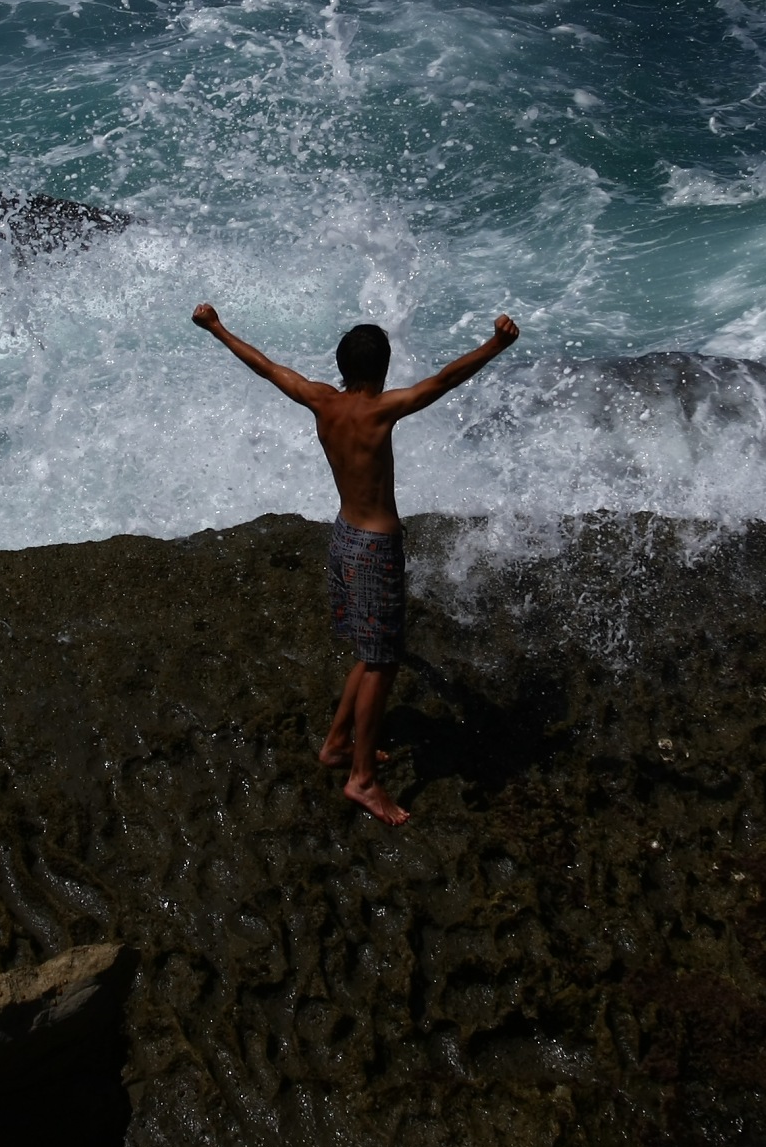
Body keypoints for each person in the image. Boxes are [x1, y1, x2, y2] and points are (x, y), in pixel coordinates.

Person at [191, 303, 520, 824]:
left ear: (341, 367)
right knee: (382, 663)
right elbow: (444, 380)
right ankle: (363, 780)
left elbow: (266, 366)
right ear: (383, 369)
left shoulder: (321, 400)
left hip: (343, 537)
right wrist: (496, 345)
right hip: (374, 549)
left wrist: (216, 328)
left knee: (371, 654)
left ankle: (336, 744)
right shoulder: (381, 410)